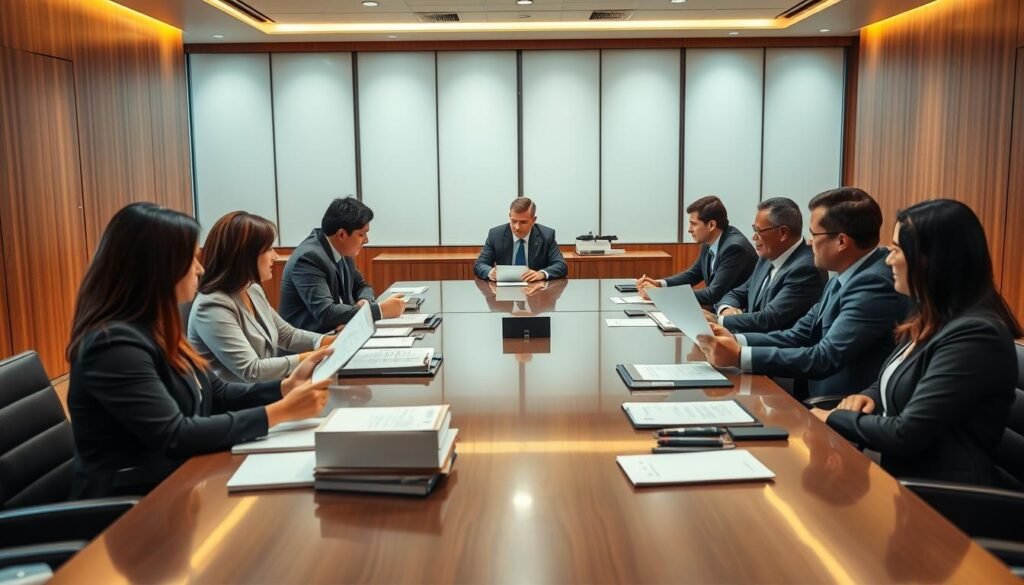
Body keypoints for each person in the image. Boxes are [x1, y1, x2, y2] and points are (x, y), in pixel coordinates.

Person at [67, 203, 330, 499]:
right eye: (190, 258)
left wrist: (284, 388)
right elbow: (174, 435)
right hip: (129, 506)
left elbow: (216, 393)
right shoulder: (112, 346)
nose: (200, 268)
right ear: (156, 267)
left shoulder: (157, 326)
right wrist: (279, 412)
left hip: (178, 479)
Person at [813, 199, 1021, 485]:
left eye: (897, 250)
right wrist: (870, 396)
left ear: (931, 259)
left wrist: (833, 418)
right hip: (903, 479)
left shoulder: (976, 335)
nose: (888, 259)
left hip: (944, 500)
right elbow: (901, 374)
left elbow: (905, 434)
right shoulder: (932, 316)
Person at [697, 187, 905, 398]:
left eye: (814, 234)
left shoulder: (872, 283)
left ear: (841, 241)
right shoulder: (846, 274)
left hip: (837, 404)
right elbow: (799, 334)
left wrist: (740, 356)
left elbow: (825, 357)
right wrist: (735, 339)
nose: (809, 241)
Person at [188, 211, 335, 383]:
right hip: (243, 403)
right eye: (268, 249)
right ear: (244, 256)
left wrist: (329, 341)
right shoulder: (212, 305)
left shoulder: (252, 289)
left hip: (267, 391)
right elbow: (252, 370)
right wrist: (317, 355)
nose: (276, 256)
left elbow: (287, 335)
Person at [279, 197, 404, 333]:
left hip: (339, 334)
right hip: (310, 347)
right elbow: (326, 312)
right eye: (361, 234)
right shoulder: (308, 258)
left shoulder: (341, 249)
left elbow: (362, 286)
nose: (366, 240)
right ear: (342, 235)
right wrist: (378, 310)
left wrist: (364, 301)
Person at [713, 197, 826, 333]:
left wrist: (718, 320)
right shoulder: (767, 256)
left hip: (777, 349)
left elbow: (769, 319)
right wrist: (726, 309)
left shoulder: (806, 269)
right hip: (748, 339)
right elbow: (738, 293)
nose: (754, 237)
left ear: (783, 233)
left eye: (758, 231)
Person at [637, 195, 756, 306]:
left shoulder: (734, 248)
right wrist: (659, 284)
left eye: (693, 224)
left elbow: (713, 294)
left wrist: (660, 295)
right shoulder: (710, 240)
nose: (689, 230)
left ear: (711, 225)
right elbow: (693, 275)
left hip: (734, 315)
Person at [473, 197, 567, 282]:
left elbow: (561, 265)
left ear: (533, 220)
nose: (517, 227)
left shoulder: (546, 236)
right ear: (509, 216)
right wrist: (490, 272)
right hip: (504, 293)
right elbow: (480, 264)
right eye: (513, 221)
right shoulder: (496, 235)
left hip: (536, 293)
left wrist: (541, 274)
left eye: (523, 222)